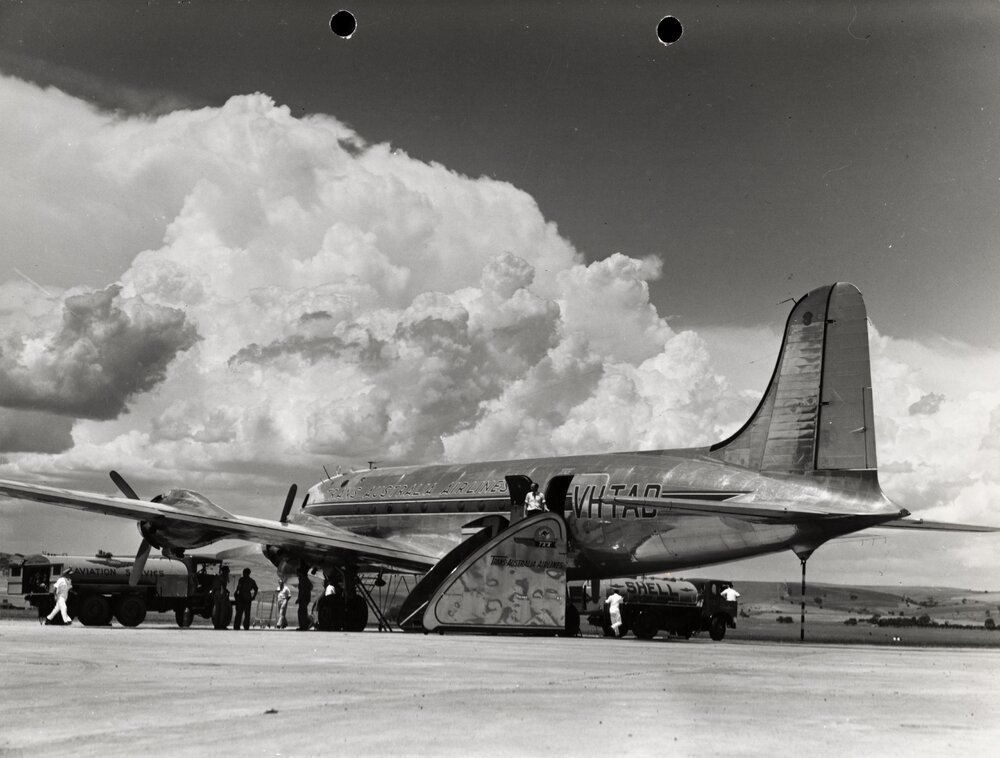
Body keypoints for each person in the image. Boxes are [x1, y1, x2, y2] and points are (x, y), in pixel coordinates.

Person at [296, 565, 313, 631]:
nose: (297, 574)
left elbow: (302, 591)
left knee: (301, 612)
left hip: (303, 599)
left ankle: (303, 626)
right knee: (303, 612)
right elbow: (311, 587)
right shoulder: (306, 579)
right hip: (305, 599)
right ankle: (304, 625)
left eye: (298, 572)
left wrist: (299, 599)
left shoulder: (303, 580)